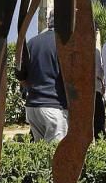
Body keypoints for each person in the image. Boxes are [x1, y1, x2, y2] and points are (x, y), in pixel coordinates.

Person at [17, 12, 69, 142]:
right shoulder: (63, 44)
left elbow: (20, 74)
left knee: (40, 152)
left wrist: (33, 89)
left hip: (33, 106)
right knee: (55, 153)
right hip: (54, 106)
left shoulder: (32, 42)